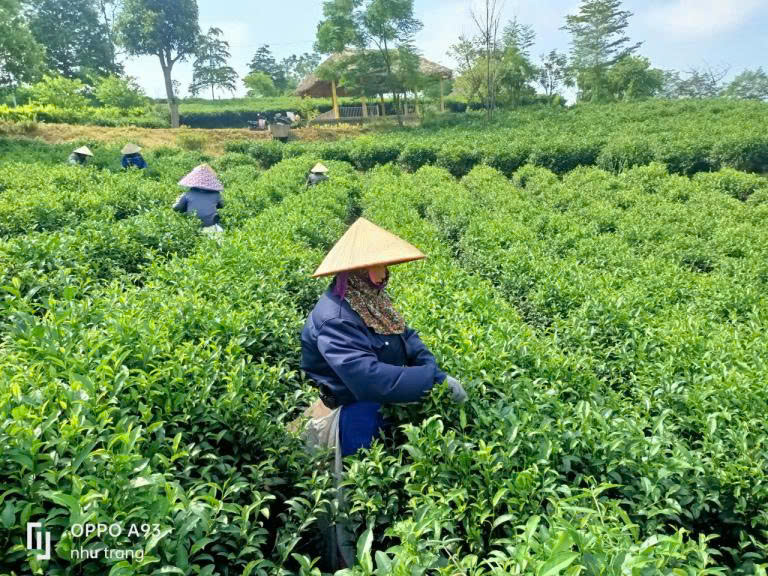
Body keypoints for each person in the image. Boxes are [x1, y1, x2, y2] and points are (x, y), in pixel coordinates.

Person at [300, 217, 467, 568]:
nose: (385, 273)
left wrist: (429, 366)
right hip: (351, 416)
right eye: (378, 267)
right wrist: (431, 380)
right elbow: (369, 380)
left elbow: (407, 336)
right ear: (357, 271)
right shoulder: (336, 317)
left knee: (388, 487)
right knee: (355, 499)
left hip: (378, 407)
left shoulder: (371, 301)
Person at [173, 164, 224, 232]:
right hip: (211, 225)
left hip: (193, 225)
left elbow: (177, 208)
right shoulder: (216, 194)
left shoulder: (189, 193)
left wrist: (178, 200)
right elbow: (222, 205)